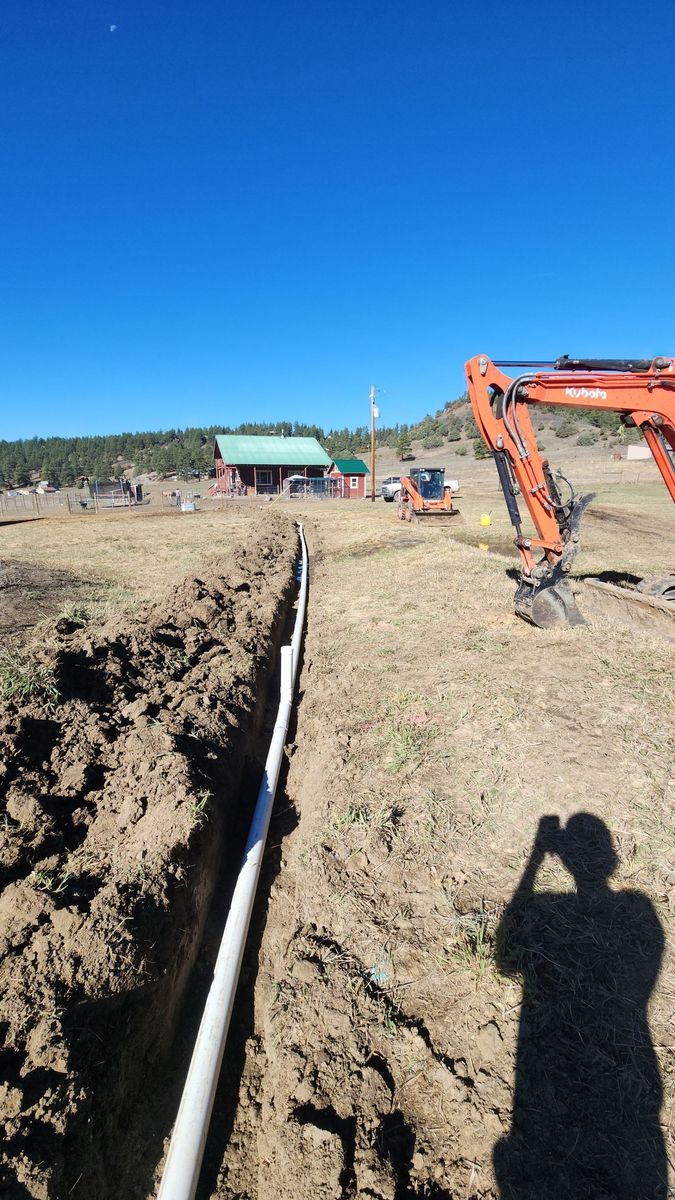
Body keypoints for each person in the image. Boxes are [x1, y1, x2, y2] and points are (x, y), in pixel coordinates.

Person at [494, 813, 666, 1200]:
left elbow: (506, 963)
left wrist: (535, 859)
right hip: (631, 1079)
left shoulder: (632, 910)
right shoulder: (639, 910)